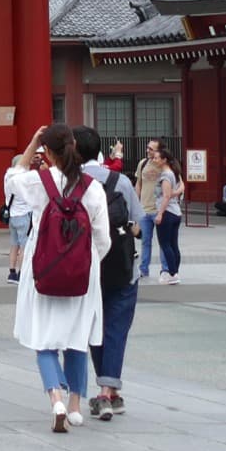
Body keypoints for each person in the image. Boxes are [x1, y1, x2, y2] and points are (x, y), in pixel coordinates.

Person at [5, 125, 109, 433]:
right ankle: (76, 406)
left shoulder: (39, 181)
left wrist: (32, 143)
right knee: (76, 338)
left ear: (46, 152)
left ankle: (56, 399)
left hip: (44, 272)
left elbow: (12, 178)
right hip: (82, 275)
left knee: (45, 339)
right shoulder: (92, 187)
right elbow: (102, 238)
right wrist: (84, 263)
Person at [72, 126, 140, 422]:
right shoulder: (120, 180)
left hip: (85, 265)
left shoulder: (69, 182)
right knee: (116, 327)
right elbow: (138, 222)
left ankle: (106, 391)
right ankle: (107, 390)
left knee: (94, 326)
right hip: (122, 264)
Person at [151, 146, 185, 284]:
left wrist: (160, 214)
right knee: (173, 244)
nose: (154, 160)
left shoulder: (166, 175)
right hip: (175, 211)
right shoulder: (174, 173)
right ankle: (175, 271)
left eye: (156, 158)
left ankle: (172, 273)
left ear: (164, 160)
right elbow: (180, 188)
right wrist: (174, 193)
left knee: (165, 244)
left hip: (167, 212)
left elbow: (166, 196)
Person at [134, 140, 165, 280]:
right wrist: (136, 203)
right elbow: (138, 184)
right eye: (148, 148)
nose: (148, 151)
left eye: (151, 149)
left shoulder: (163, 165)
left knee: (163, 241)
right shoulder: (143, 164)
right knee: (145, 241)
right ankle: (143, 268)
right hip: (144, 209)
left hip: (159, 209)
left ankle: (165, 269)